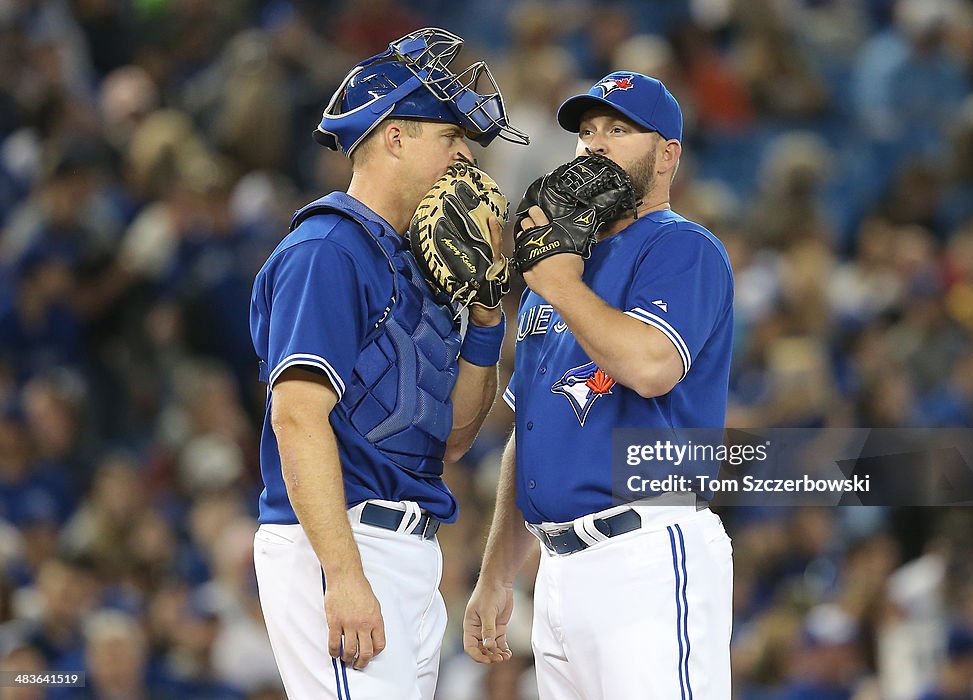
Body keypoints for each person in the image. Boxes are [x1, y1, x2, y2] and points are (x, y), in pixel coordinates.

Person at [249, 28, 526, 699]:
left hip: (408, 549)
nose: (465, 156)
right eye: (449, 136)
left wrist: (486, 323)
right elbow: (296, 417)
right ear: (395, 136)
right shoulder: (326, 249)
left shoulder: (427, 262)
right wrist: (342, 574)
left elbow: (454, 440)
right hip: (342, 541)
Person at [463, 71, 735, 699]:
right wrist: (498, 573)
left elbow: (650, 366)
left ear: (668, 154)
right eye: (587, 131)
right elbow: (532, 438)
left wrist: (556, 283)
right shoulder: (564, 266)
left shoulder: (682, 249)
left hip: (647, 550)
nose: (596, 143)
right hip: (558, 572)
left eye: (620, 129)